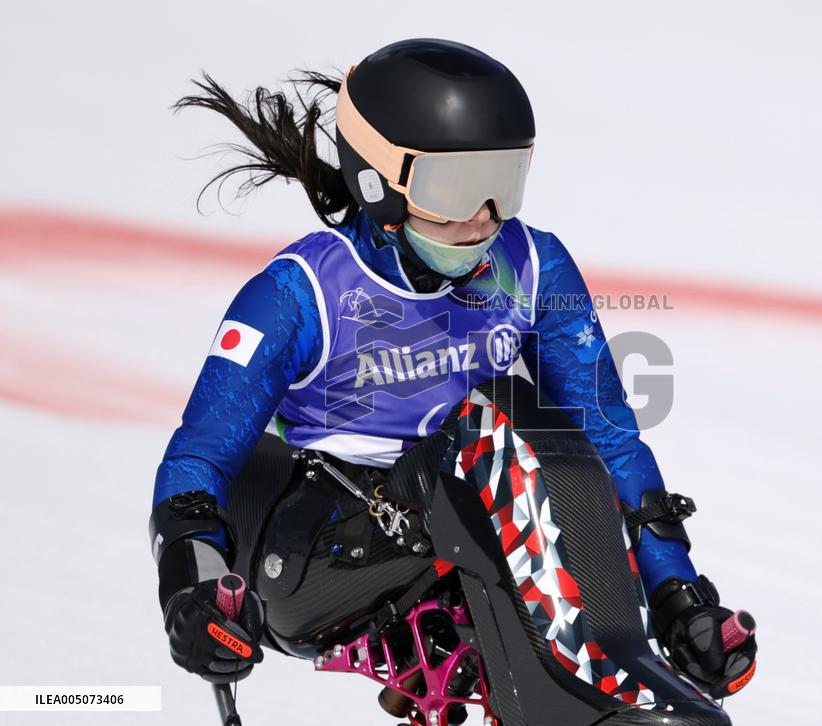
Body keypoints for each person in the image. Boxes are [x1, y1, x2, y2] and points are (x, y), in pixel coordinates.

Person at [149, 38, 757, 705]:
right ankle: (603, 695)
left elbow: (608, 437)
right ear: (379, 181)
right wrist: (190, 588)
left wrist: (674, 587)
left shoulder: (532, 265)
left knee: (551, 431)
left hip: (469, 531)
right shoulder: (300, 293)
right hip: (313, 559)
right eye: (456, 189)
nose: (483, 218)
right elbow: (195, 462)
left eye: (502, 183)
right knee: (498, 414)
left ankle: (608, 670)